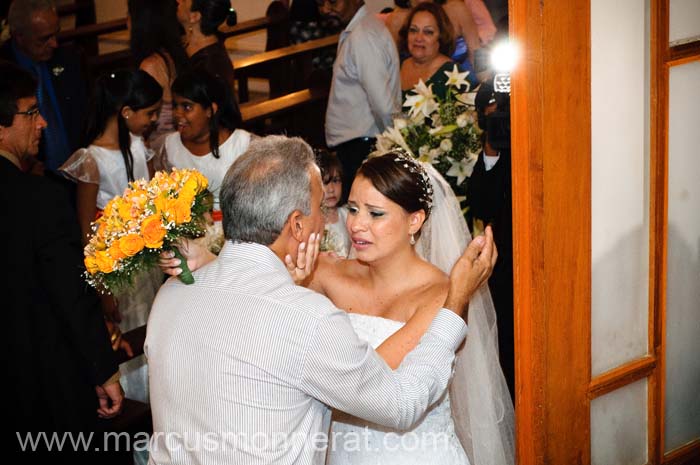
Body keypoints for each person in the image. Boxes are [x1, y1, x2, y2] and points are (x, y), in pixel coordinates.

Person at [146, 135, 496, 464]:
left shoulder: (170, 295)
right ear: (295, 225)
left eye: (375, 213)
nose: (354, 224)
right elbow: (389, 396)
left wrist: (214, 263)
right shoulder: (313, 291)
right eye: (352, 209)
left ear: (415, 220)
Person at [1, 61, 123, 453]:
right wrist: (103, 370)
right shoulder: (39, 199)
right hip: (40, 381)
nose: (43, 124)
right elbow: (70, 295)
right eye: (31, 113)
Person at [59, 69, 164, 404]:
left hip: (146, 267)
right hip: (116, 274)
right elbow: (88, 233)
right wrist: (102, 292)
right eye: (149, 113)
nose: (154, 120)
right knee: (130, 348)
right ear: (125, 112)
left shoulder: (137, 146)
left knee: (155, 339)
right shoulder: (91, 159)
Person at [155, 70, 250, 251]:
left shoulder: (244, 145)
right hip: (187, 244)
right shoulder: (167, 147)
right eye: (175, 106)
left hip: (236, 240)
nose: (177, 114)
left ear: (210, 110)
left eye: (187, 107)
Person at [321, 0, 401, 201]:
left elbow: (383, 104)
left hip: (361, 147)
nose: (326, 9)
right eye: (321, 3)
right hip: (357, 144)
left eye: (332, 2)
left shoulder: (363, 36)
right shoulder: (361, 29)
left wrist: (395, 142)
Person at [1, 0, 88, 173]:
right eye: (44, 38)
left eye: (56, 34)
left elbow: (86, 116)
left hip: (80, 172)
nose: (54, 43)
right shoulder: (4, 71)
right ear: (19, 36)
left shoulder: (70, 60)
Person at [128, 0, 190, 147]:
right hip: (177, 143)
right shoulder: (174, 54)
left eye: (130, 16)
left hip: (162, 150)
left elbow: (141, 126)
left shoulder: (150, 65)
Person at [176, 0, 238, 94]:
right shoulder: (191, 43)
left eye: (184, 1)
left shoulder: (210, 64)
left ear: (195, 16)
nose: (178, 1)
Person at [399, 2, 455, 99]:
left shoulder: (452, 74)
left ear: (441, 37)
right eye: (413, 30)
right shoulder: (397, 66)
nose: (418, 38)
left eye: (428, 32)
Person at [316, 149, 351, 257]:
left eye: (336, 181)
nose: (331, 189)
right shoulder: (310, 221)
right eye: (324, 183)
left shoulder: (348, 215)